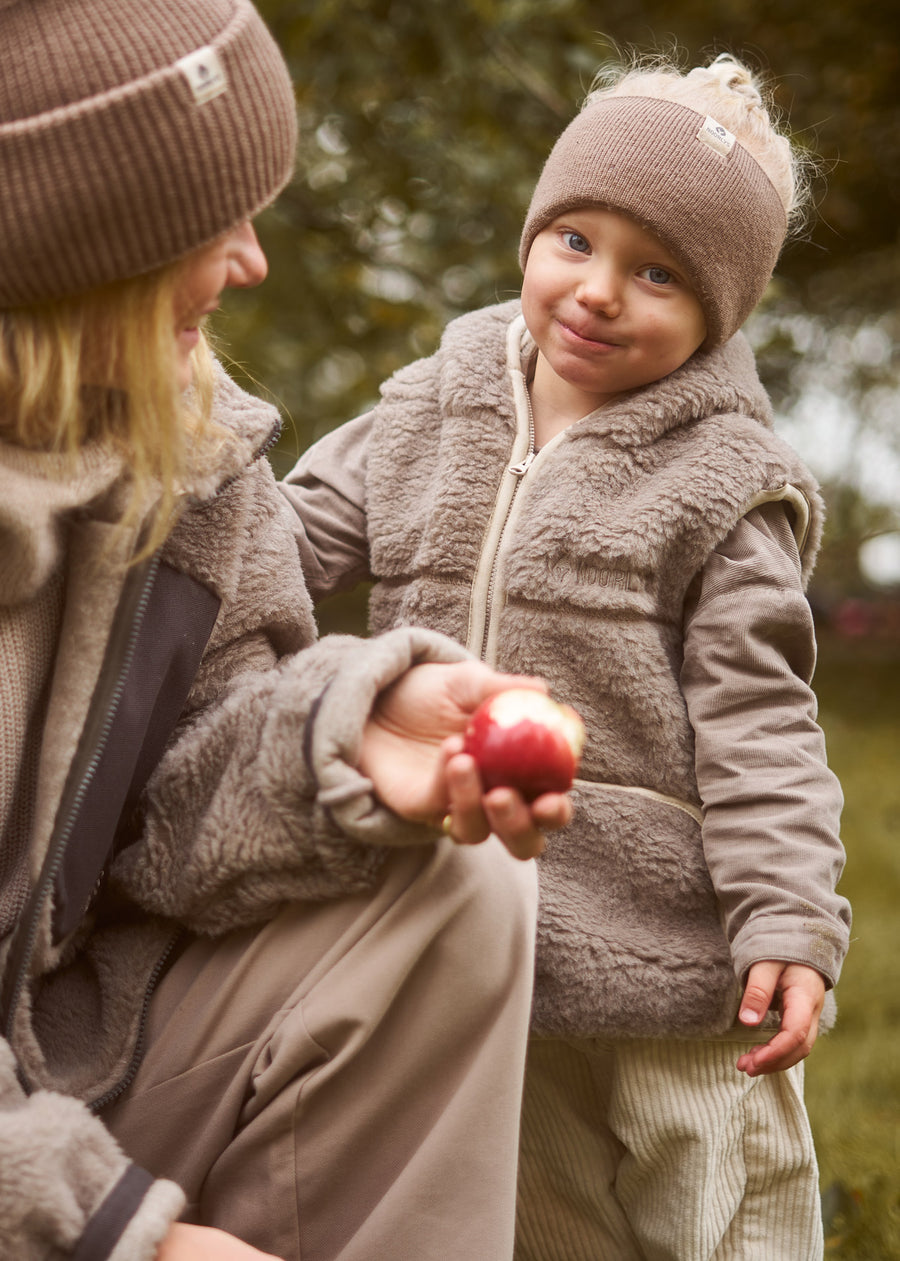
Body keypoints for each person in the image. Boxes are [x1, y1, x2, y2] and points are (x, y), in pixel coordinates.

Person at [0, 3, 575, 1260]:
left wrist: (346, 734)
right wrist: (112, 1235)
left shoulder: (190, 454)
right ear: (77, 246)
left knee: (458, 881)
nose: (252, 260)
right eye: (209, 226)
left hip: (78, 1043)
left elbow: (178, 778)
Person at [281, 53, 853, 1260]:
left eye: (657, 273)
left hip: (664, 949)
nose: (597, 293)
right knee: (525, 1208)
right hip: (463, 917)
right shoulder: (435, 403)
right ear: (533, 237)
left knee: (708, 1199)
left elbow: (763, 726)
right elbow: (282, 539)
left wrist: (787, 919)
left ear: (720, 310)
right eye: (575, 242)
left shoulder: (722, 482)